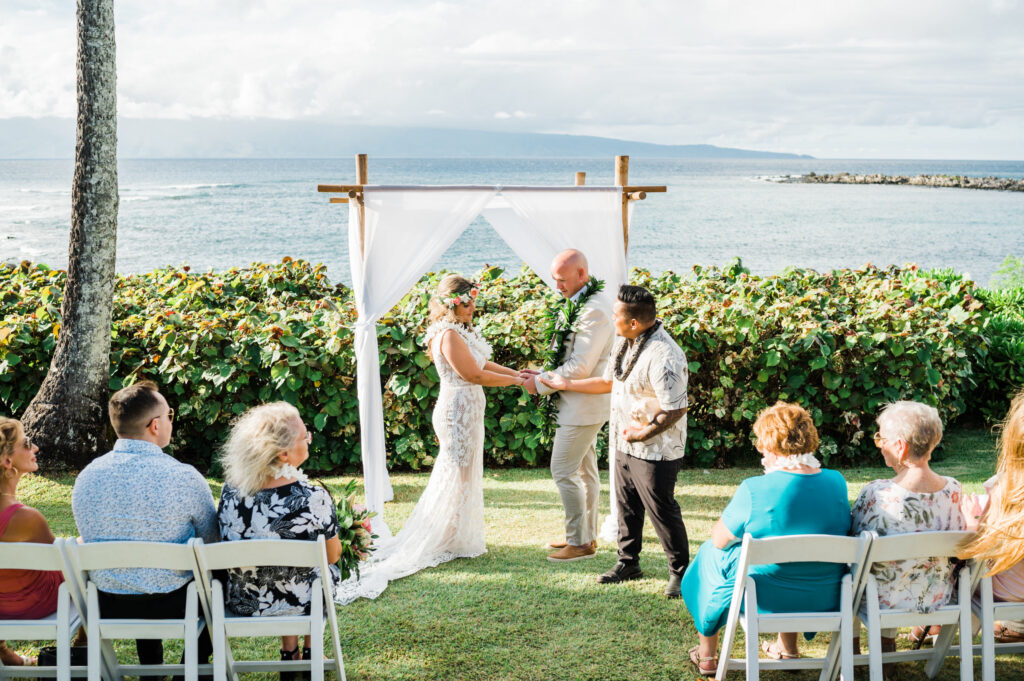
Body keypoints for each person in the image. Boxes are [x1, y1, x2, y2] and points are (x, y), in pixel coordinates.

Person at [335, 274, 525, 604]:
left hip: (467, 409)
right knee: (455, 474)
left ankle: (453, 535)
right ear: (454, 303)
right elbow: (473, 374)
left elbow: (483, 363)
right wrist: (517, 384)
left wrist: (515, 373)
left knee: (463, 474)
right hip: (457, 411)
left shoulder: (459, 331)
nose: (472, 307)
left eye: (473, 301)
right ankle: (445, 537)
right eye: (467, 303)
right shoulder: (449, 335)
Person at [538, 284, 690, 597]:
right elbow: (609, 381)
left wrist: (642, 433)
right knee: (626, 507)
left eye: (616, 314)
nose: (612, 318)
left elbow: (675, 408)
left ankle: (680, 573)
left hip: (656, 449)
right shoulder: (626, 340)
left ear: (634, 322)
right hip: (624, 442)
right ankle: (628, 562)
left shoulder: (665, 355)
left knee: (661, 509)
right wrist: (567, 383)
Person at [679, 402, 851, 676]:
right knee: (794, 559)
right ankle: (788, 648)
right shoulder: (837, 482)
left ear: (770, 446)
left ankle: (707, 654)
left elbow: (720, 539)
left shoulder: (754, 489)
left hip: (764, 597)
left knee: (710, 553)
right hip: (824, 594)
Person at [72, 380, 219, 676]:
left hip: (107, 602)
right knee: (218, 586)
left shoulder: (87, 478)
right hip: (176, 603)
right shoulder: (185, 478)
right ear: (155, 425)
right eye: (169, 416)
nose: (169, 422)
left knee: (138, 570)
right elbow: (213, 546)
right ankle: (192, 667)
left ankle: (151, 670)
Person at [217, 402, 342, 673]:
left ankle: (290, 651)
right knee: (325, 569)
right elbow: (332, 556)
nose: (309, 439)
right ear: (284, 454)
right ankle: (312, 650)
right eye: (304, 436)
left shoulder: (229, 493)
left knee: (284, 573)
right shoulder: (313, 497)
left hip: (245, 602)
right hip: (301, 604)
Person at [522, 249, 614, 563]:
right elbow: (565, 359)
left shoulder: (594, 311)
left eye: (562, 280)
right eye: (554, 280)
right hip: (576, 404)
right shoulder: (578, 303)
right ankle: (584, 537)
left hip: (583, 405)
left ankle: (579, 542)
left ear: (582, 275)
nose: (557, 286)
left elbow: (579, 368)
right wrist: (542, 373)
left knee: (562, 470)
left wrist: (538, 383)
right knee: (585, 472)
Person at [851, 401, 964, 652]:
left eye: (881, 438)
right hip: (938, 599)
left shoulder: (877, 494)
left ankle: (851, 650)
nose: (879, 445)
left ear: (900, 447)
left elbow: (854, 545)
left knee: (850, 571)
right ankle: (885, 647)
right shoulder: (954, 490)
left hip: (882, 600)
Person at [960, 389, 1024, 642]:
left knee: (959, 568)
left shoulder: (1002, 489)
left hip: (1005, 594)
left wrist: (969, 519)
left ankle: (933, 625)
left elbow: (975, 545)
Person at [0, 417, 65, 667]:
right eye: (27, 443)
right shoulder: (26, 518)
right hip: (31, 603)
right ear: (8, 462)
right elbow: (63, 563)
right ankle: (83, 648)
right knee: (85, 565)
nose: (34, 448)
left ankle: (4, 651)